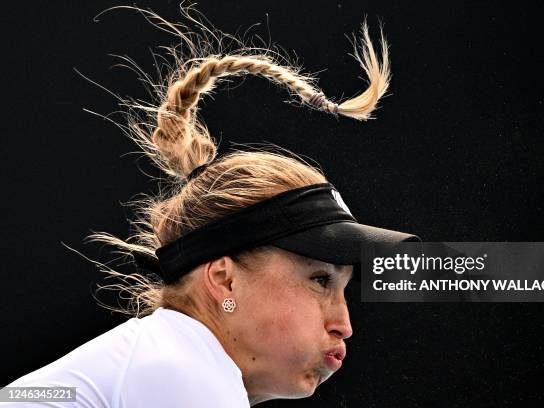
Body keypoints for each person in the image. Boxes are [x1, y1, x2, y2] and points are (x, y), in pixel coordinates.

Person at [0, 6, 419, 407]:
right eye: (320, 280)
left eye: (342, 289)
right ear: (224, 282)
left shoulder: (165, 359)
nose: (343, 324)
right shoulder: (181, 370)